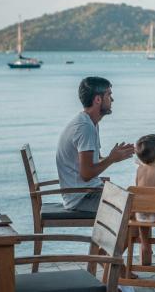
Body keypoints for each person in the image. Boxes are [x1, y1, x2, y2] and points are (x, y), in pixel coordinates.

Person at [56, 76, 135, 212]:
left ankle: (131, 233)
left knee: (134, 198)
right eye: (109, 95)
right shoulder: (85, 127)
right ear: (98, 99)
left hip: (89, 191)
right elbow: (86, 173)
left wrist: (115, 157)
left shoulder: (90, 123)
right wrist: (111, 159)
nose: (113, 99)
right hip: (81, 199)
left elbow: (92, 162)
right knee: (132, 207)